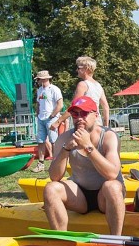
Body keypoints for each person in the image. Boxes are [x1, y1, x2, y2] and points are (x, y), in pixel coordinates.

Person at [43, 96, 125, 235]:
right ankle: (62, 244)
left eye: (85, 113)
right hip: (80, 195)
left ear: (96, 115)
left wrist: (88, 146)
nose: (79, 118)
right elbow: (54, 177)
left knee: (112, 186)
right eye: (75, 114)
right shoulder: (64, 138)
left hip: (106, 196)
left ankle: (115, 241)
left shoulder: (108, 136)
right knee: (51, 189)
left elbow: (112, 174)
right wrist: (66, 149)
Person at [53, 56, 111, 131]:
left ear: (86, 69)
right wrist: (105, 126)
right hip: (97, 123)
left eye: (79, 68)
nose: (77, 70)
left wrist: (58, 122)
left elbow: (74, 107)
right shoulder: (98, 85)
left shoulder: (82, 84)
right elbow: (106, 107)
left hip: (83, 123)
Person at [32, 70, 63, 173]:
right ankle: (41, 164)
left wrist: (53, 115)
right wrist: (37, 113)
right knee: (40, 141)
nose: (38, 81)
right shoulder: (39, 90)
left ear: (45, 79)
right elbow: (38, 103)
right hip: (41, 118)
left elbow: (60, 104)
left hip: (51, 118)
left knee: (54, 141)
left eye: (39, 79)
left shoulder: (54, 89)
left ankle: (55, 163)